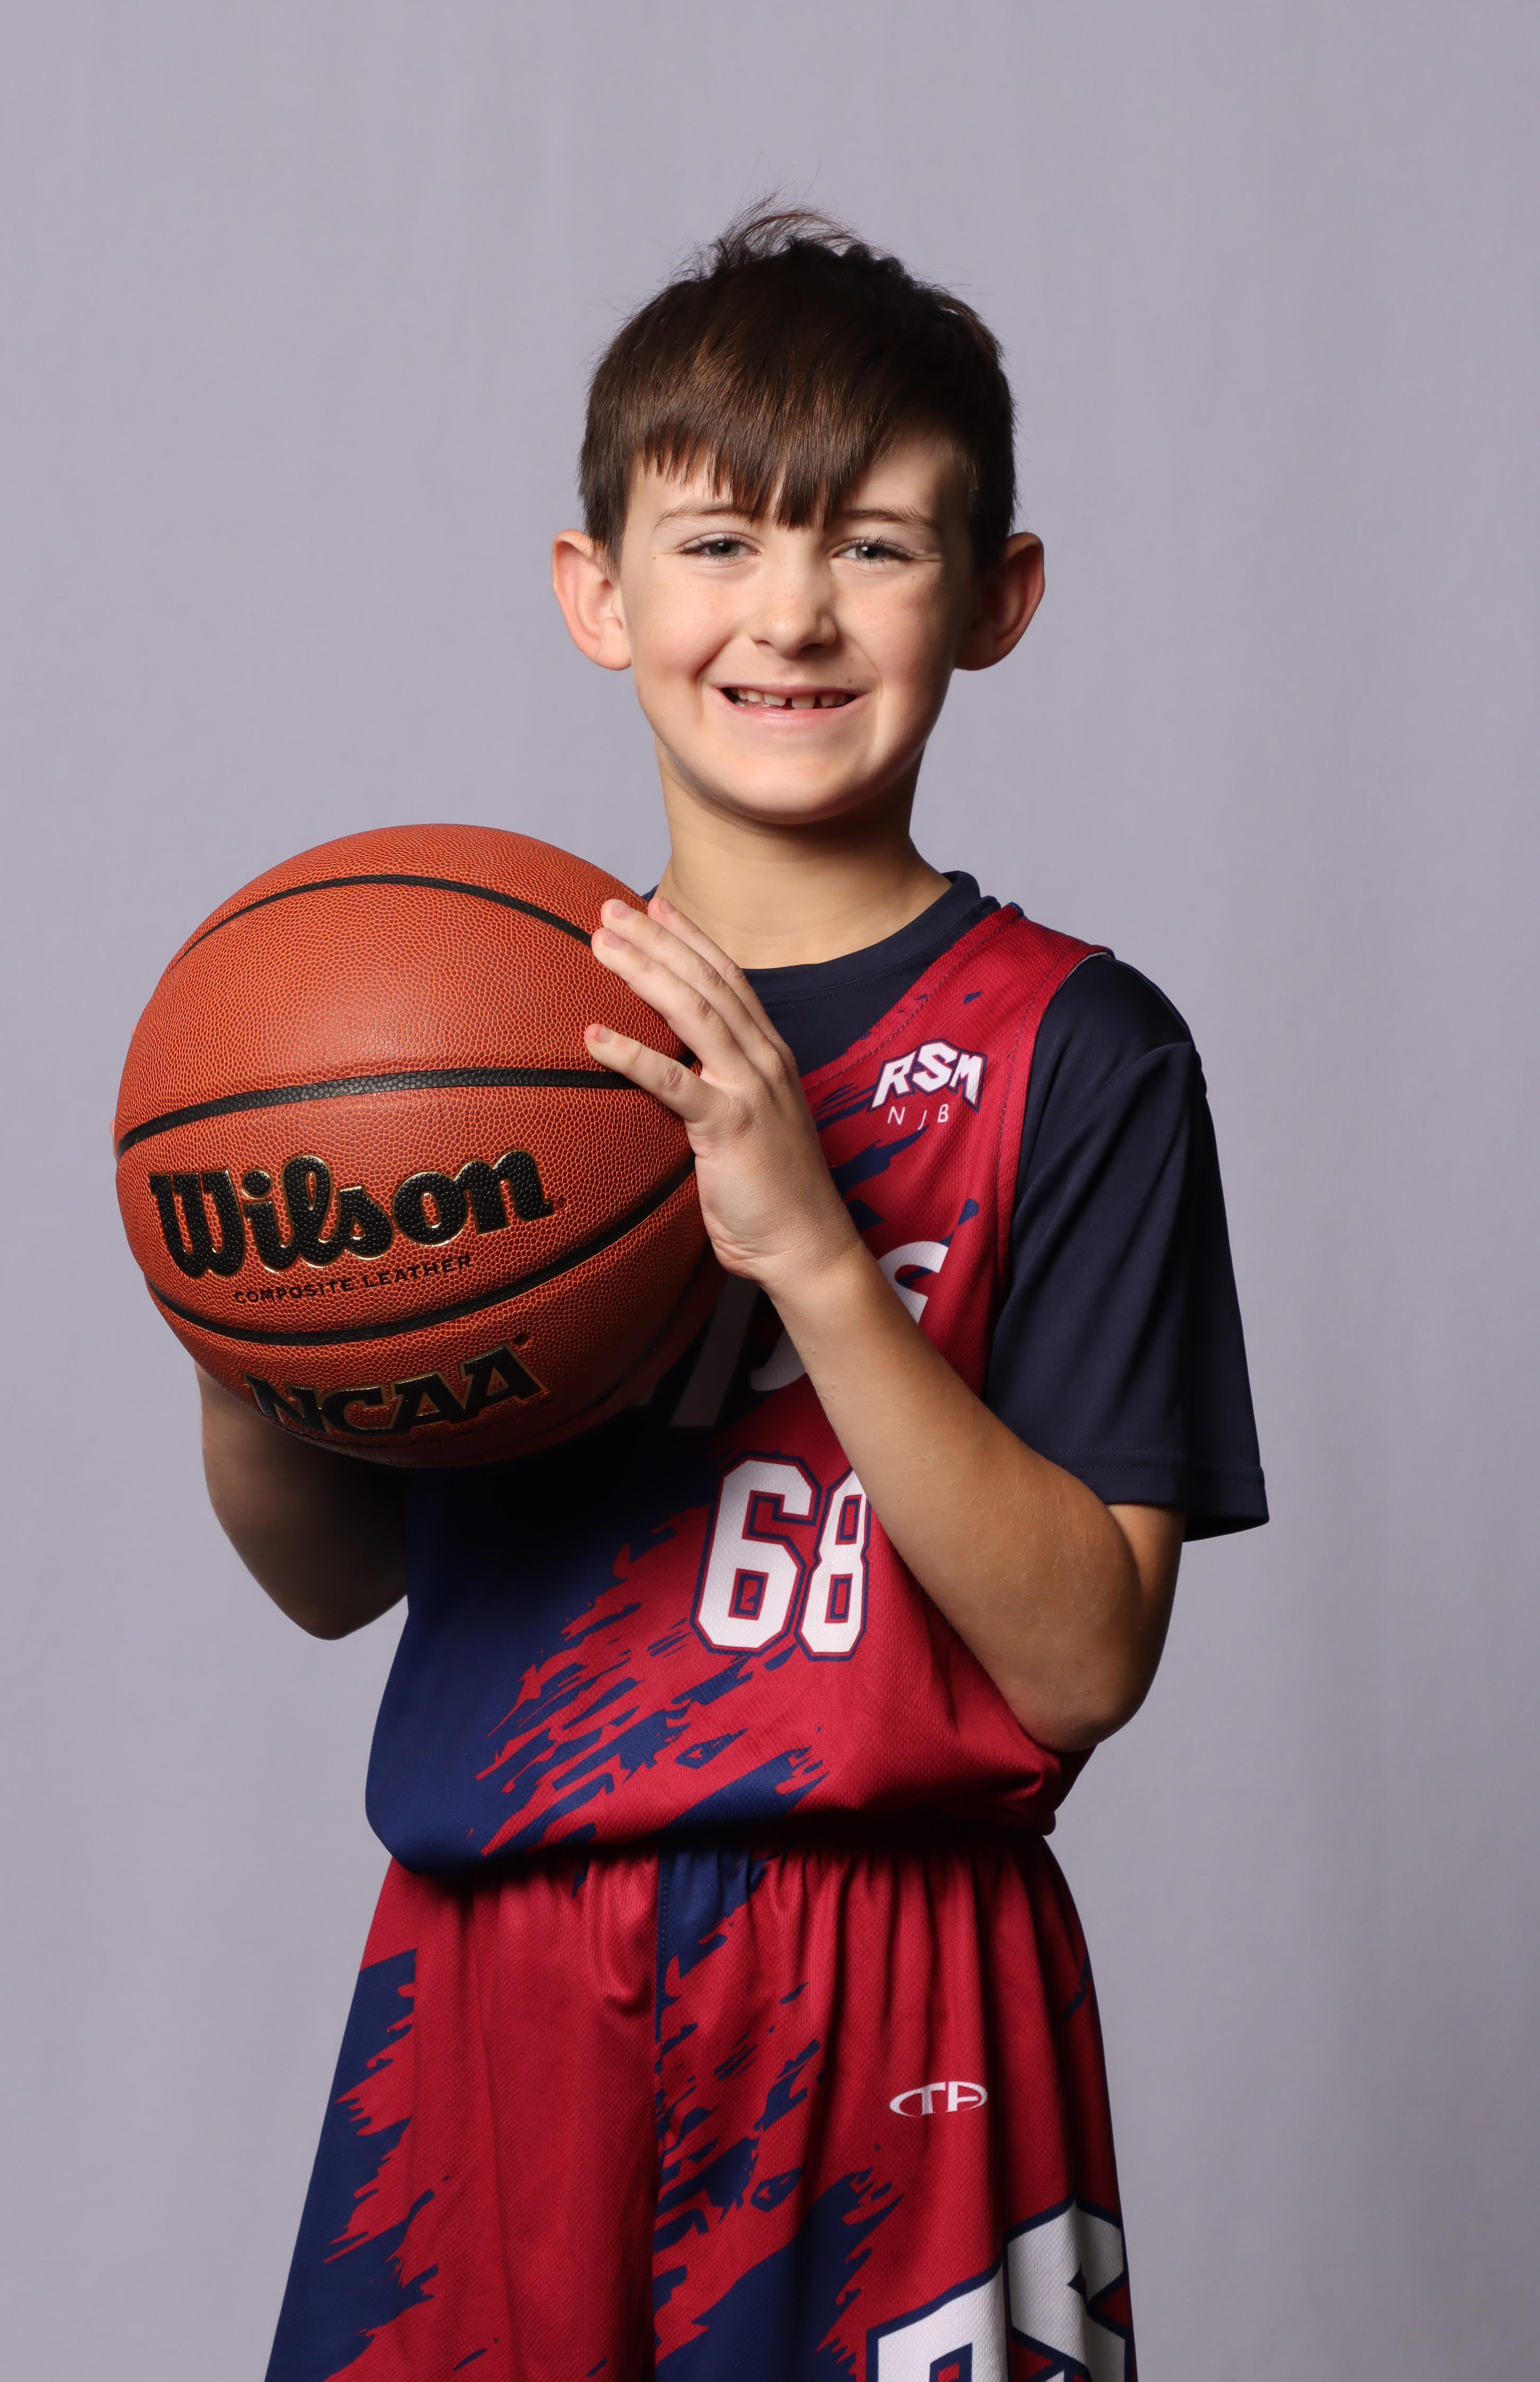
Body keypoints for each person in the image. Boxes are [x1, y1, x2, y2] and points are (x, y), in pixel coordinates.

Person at [202, 208, 1266, 2379]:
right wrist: (255, 1336)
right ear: (598, 591)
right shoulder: (477, 1040)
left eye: (874, 546)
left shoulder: (1079, 1052)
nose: (790, 611)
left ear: (997, 598)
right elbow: (332, 1581)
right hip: (498, 1965)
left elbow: (1080, 1659)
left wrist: (807, 1247)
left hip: (895, 1970)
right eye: (718, 543)